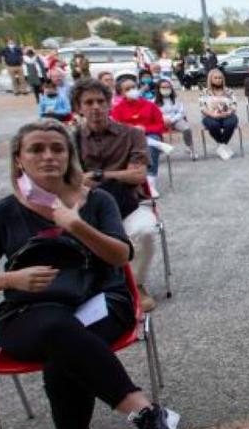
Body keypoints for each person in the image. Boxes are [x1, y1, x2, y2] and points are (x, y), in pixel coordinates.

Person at [0, 119, 180, 429]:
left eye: (58, 148)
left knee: (65, 345)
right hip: (28, 313)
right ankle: (145, 414)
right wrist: (12, 280)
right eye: (37, 149)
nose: (49, 156)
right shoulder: (2, 213)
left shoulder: (97, 201)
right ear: (19, 160)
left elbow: (120, 255)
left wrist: (75, 224)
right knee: (60, 332)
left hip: (102, 300)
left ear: (70, 156)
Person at [72, 79, 160, 310]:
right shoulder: (70, 140)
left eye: (101, 101)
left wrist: (100, 175)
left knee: (145, 231)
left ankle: (136, 284)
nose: (95, 107)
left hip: (129, 203)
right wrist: (118, 173)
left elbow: (138, 175)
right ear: (78, 107)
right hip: (85, 207)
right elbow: (69, 180)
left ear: (110, 104)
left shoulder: (132, 135)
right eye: (88, 102)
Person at [110, 77, 170, 194]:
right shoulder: (118, 109)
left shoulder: (150, 105)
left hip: (150, 136)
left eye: (133, 87)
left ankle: (150, 182)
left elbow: (160, 125)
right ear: (122, 93)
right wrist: (132, 130)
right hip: (127, 138)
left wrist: (145, 129)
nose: (132, 90)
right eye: (127, 89)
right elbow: (116, 128)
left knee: (150, 147)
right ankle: (130, 181)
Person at [199, 69, 240, 159]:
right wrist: (213, 115)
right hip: (210, 115)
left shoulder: (229, 91)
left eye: (220, 78)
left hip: (227, 115)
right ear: (211, 79)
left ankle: (221, 146)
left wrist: (228, 112)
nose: (218, 80)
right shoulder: (205, 92)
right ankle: (223, 146)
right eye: (216, 78)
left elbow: (234, 105)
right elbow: (202, 107)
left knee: (231, 123)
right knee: (213, 125)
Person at [155, 80, 196, 160]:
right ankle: (158, 150)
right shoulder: (154, 101)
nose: (166, 89)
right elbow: (155, 113)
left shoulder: (176, 99)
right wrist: (164, 119)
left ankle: (190, 148)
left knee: (187, 129)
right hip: (161, 121)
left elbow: (181, 112)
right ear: (158, 89)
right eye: (163, 87)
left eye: (168, 87)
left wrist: (172, 120)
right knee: (153, 132)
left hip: (176, 119)